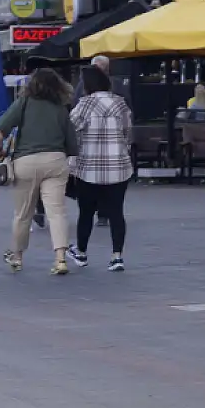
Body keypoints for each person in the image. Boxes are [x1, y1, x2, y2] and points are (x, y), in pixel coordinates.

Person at [0, 67, 78, 275]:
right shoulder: (61, 107)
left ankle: (17, 257)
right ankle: (60, 259)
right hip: (55, 161)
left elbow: (0, 129)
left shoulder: (23, 103)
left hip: (26, 162)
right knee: (57, 212)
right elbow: (72, 143)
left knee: (23, 214)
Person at [67, 65, 134, 272]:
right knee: (116, 212)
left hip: (89, 167)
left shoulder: (84, 105)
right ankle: (117, 256)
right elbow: (128, 133)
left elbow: (71, 131)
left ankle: (82, 252)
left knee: (86, 211)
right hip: (118, 167)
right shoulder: (120, 104)